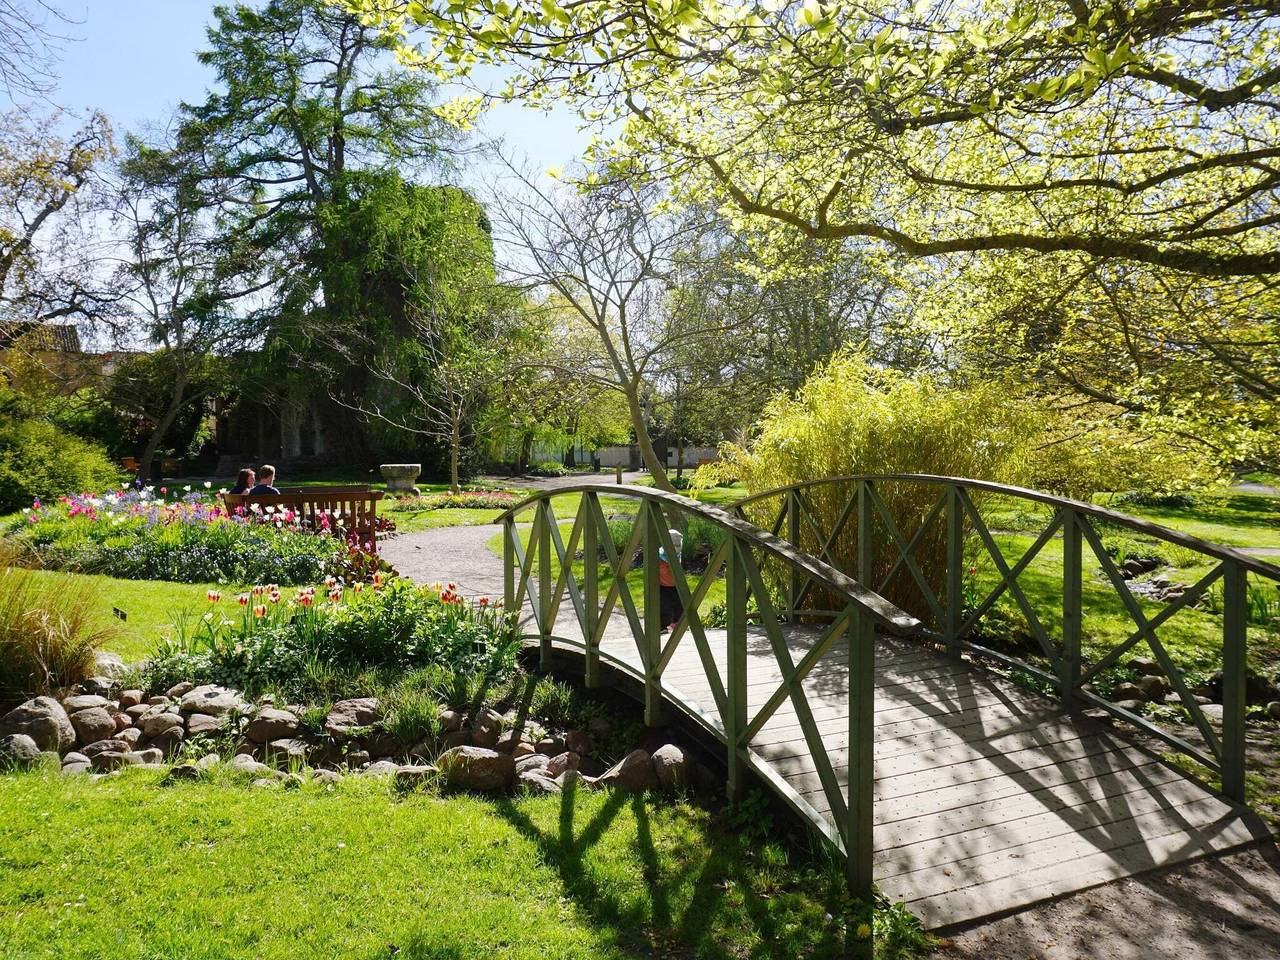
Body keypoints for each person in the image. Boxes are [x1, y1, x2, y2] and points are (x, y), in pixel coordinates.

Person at [657, 528, 685, 631]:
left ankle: (677, 624)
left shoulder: (678, 555)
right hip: (663, 586)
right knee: (664, 608)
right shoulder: (659, 556)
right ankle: (662, 626)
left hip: (675, 585)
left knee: (680, 606)